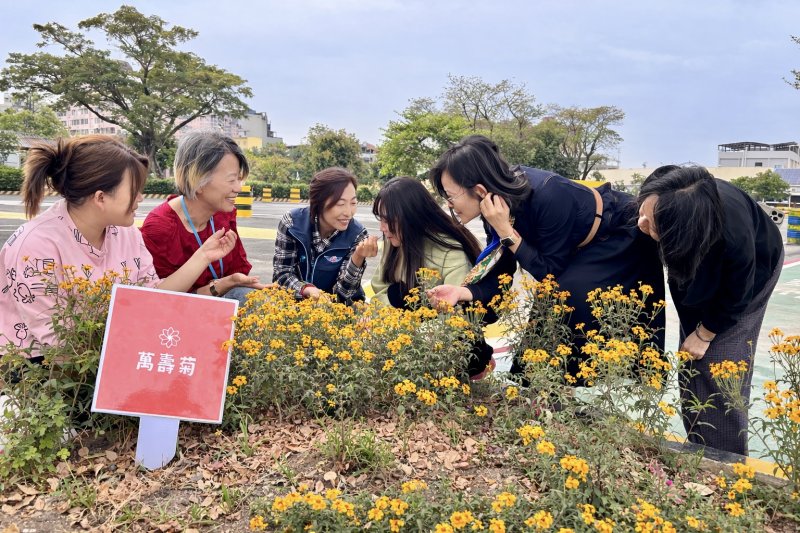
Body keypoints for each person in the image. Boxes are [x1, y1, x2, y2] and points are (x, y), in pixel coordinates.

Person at [430, 135, 665, 382]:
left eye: (450, 196)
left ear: (478, 190)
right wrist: (462, 293)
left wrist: (508, 233)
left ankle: (552, 387)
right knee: (555, 302)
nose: (449, 205)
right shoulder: (495, 207)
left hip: (617, 233)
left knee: (564, 295)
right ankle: (543, 387)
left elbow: (549, 273)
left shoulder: (547, 193)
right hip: (571, 248)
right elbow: (500, 273)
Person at [0, 135, 237, 359]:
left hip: (104, 354)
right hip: (36, 368)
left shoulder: (126, 233)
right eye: (135, 190)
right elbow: (55, 342)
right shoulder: (36, 247)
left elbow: (151, 297)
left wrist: (203, 256)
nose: (141, 198)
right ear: (101, 198)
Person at [638, 165, 783, 455]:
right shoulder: (673, 199)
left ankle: (725, 462)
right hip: (706, 261)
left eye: (651, 221)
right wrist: (692, 333)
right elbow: (682, 285)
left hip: (754, 275)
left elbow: (737, 294)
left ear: (681, 230)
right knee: (690, 357)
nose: (641, 222)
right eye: (642, 210)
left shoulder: (733, 241)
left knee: (719, 363)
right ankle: (698, 445)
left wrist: (705, 333)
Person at [371, 177, 514, 379]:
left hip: (446, 342)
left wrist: (409, 335)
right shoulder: (395, 243)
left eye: (387, 220)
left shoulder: (450, 251)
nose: (382, 228)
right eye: (380, 219)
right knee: (397, 294)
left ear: (410, 217)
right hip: (408, 335)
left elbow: (456, 319)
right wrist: (395, 325)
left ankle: (479, 366)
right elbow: (380, 289)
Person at [141, 132, 264, 305]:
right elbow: (159, 300)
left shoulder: (223, 214)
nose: (238, 188)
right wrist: (222, 285)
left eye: (239, 179)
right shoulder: (160, 227)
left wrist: (234, 282)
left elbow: (236, 269)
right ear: (198, 181)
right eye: (231, 180)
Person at [273, 167, 378, 304]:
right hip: (294, 309)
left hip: (337, 313)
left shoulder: (357, 234)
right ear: (319, 202)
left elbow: (344, 294)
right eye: (340, 204)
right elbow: (281, 275)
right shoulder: (292, 224)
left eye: (353, 203)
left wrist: (357, 257)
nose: (348, 212)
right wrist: (306, 290)